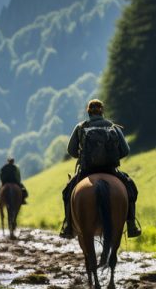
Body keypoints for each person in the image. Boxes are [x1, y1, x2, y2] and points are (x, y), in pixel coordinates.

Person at [59, 99, 141, 238]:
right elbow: (125, 150)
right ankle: (131, 224)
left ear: (88, 111)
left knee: (67, 193)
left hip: (87, 170)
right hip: (110, 169)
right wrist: (113, 156)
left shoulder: (80, 127)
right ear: (102, 110)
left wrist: (81, 155)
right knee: (131, 188)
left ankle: (67, 226)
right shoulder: (113, 127)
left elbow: (71, 150)